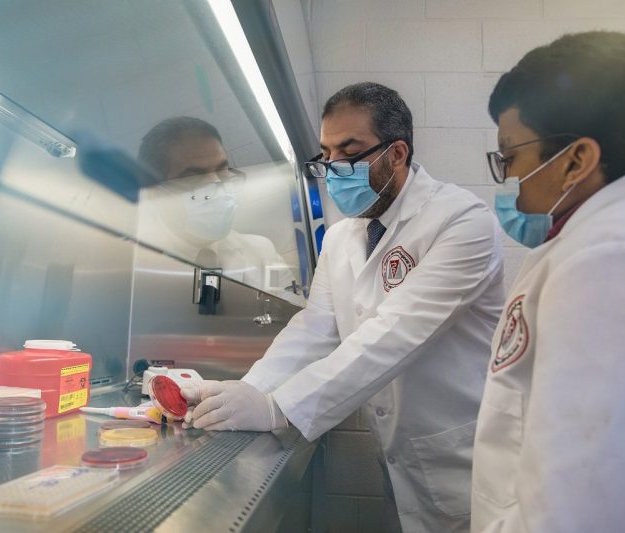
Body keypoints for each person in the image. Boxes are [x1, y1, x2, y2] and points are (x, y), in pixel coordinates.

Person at [182, 82, 505, 532]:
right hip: (400, 462)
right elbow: (315, 328)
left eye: (349, 152)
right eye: (326, 153)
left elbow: (394, 335)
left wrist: (279, 408)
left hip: (459, 464)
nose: (334, 168)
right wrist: (251, 390)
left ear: (397, 154)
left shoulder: (461, 223)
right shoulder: (342, 235)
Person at [471, 31, 625, 533]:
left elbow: (589, 511)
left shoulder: (621, 258)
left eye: (510, 156)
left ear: (576, 160)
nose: (508, 181)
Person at [137, 116, 297, 299]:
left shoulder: (262, 251)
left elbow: (298, 318)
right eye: (194, 178)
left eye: (222, 171)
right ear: (155, 194)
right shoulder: (131, 266)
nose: (218, 187)